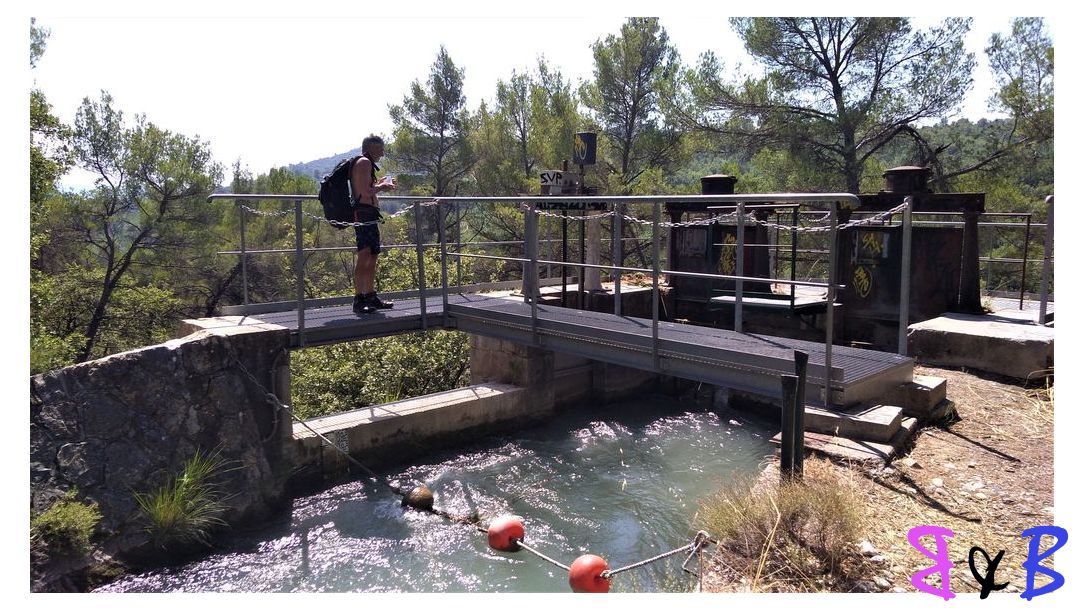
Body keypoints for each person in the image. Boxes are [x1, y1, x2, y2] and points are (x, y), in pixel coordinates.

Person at [350, 135, 396, 314]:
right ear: (371, 148)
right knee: (364, 255)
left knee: (373, 255)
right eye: (380, 150)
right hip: (363, 214)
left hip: (369, 213)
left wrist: (380, 183)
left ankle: (370, 296)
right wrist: (382, 187)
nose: (382, 154)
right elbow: (365, 192)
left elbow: (367, 188)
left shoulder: (365, 163)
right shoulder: (364, 163)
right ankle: (359, 299)